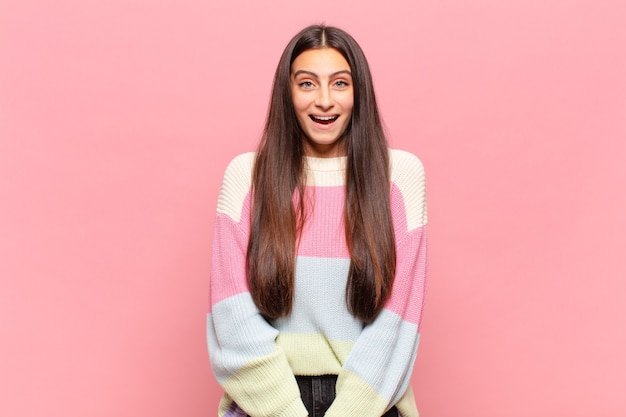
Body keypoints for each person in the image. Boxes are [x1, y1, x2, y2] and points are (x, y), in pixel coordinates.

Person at [207, 24, 428, 417]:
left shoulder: (400, 177)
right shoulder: (247, 178)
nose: (324, 100)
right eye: (307, 84)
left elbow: (398, 323)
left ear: (358, 92)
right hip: (265, 405)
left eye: (340, 83)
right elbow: (232, 318)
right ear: (287, 93)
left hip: (369, 404)